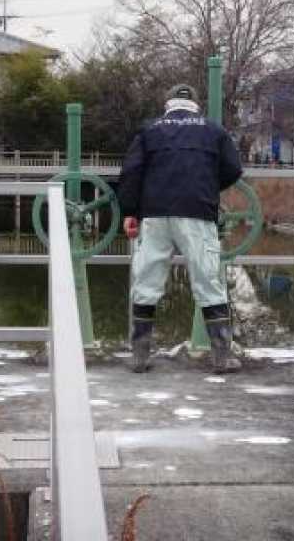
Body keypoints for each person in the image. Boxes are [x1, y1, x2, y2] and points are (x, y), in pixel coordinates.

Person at [117, 84, 243, 373]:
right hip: (197, 213)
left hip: (155, 214)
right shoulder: (214, 131)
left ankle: (140, 356)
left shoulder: (149, 130)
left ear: (168, 104)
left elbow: (131, 172)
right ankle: (222, 357)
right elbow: (233, 169)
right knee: (208, 281)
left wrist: (130, 212)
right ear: (195, 105)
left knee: (147, 280)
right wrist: (209, 187)